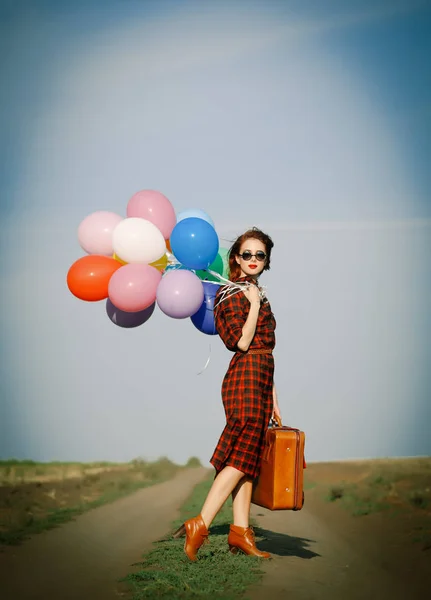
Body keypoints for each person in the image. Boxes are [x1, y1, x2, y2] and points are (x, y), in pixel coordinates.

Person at [173, 227, 281, 561]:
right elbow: (241, 343)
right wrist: (251, 306)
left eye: (259, 255)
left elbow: (265, 348)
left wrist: (274, 398)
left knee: (248, 459)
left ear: (266, 261)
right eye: (246, 254)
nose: (253, 260)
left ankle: (240, 533)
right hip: (244, 377)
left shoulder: (255, 293)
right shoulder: (232, 294)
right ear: (235, 257)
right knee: (239, 458)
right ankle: (200, 524)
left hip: (261, 378)